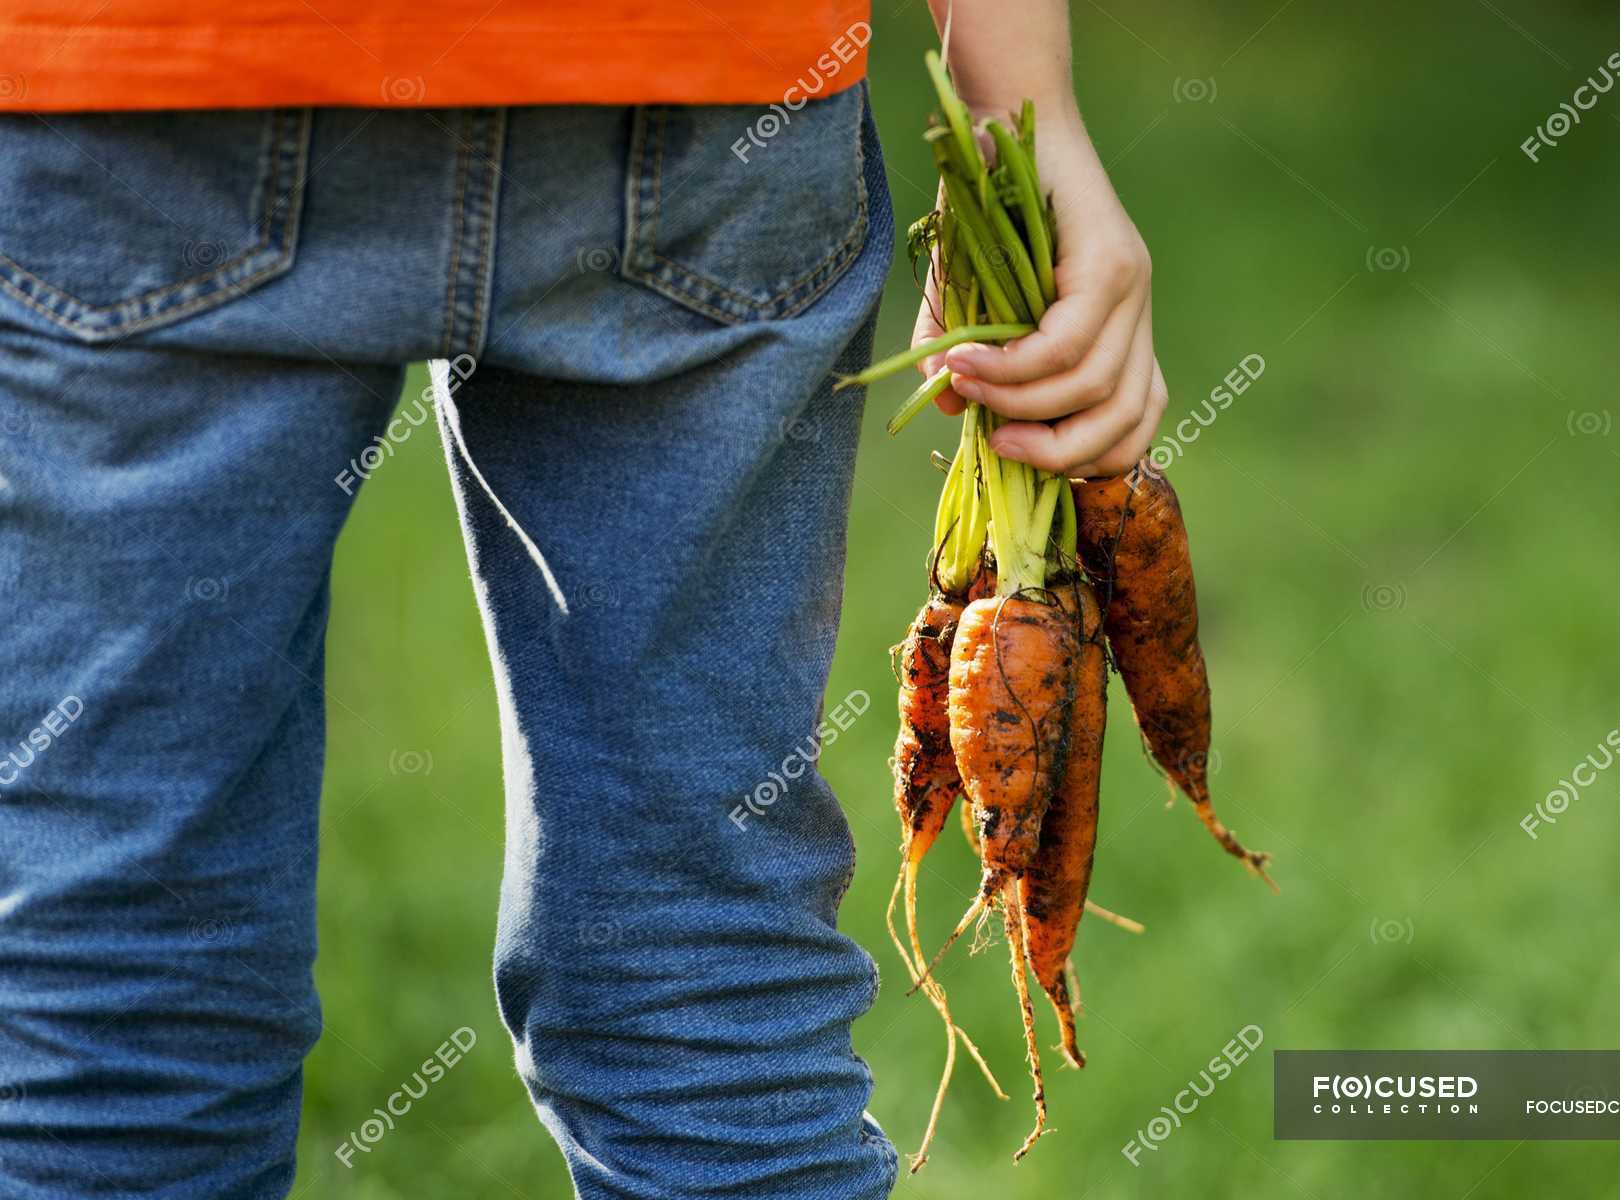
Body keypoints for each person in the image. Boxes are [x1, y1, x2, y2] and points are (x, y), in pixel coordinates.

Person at [0, 0, 1164, 1195]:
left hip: (148, 81)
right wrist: (1020, 104)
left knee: (119, 1000)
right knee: (702, 971)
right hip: (713, 90)